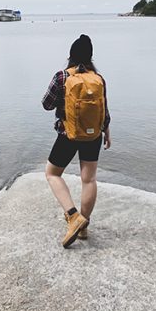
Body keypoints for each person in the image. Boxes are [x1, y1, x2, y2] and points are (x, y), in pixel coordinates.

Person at [41, 33, 111, 247]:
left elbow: (46, 104)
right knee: (88, 179)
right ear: (90, 56)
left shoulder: (62, 77)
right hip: (93, 135)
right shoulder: (98, 79)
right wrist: (107, 132)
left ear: (70, 55)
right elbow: (104, 110)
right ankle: (84, 226)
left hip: (67, 135)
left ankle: (73, 217)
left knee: (52, 174)